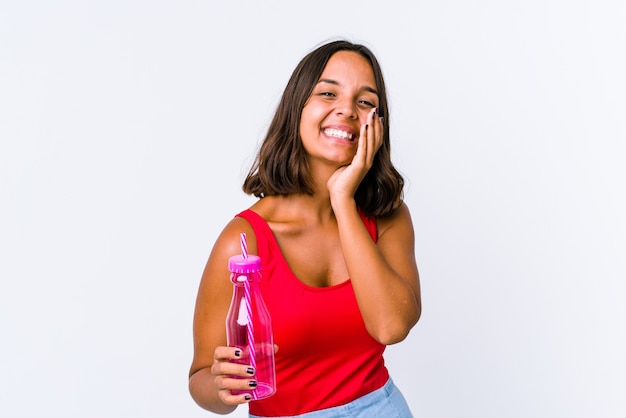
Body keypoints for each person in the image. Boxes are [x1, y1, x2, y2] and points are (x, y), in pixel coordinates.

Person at [189, 39, 421, 417]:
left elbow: (390, 327)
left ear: (378, 125)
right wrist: (219, 386)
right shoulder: (244, 242)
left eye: (365, 101)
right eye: (328, 93)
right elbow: (201, 377)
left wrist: (342, 199)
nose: (346, 109)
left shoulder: (389, 218)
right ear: (296, 108)